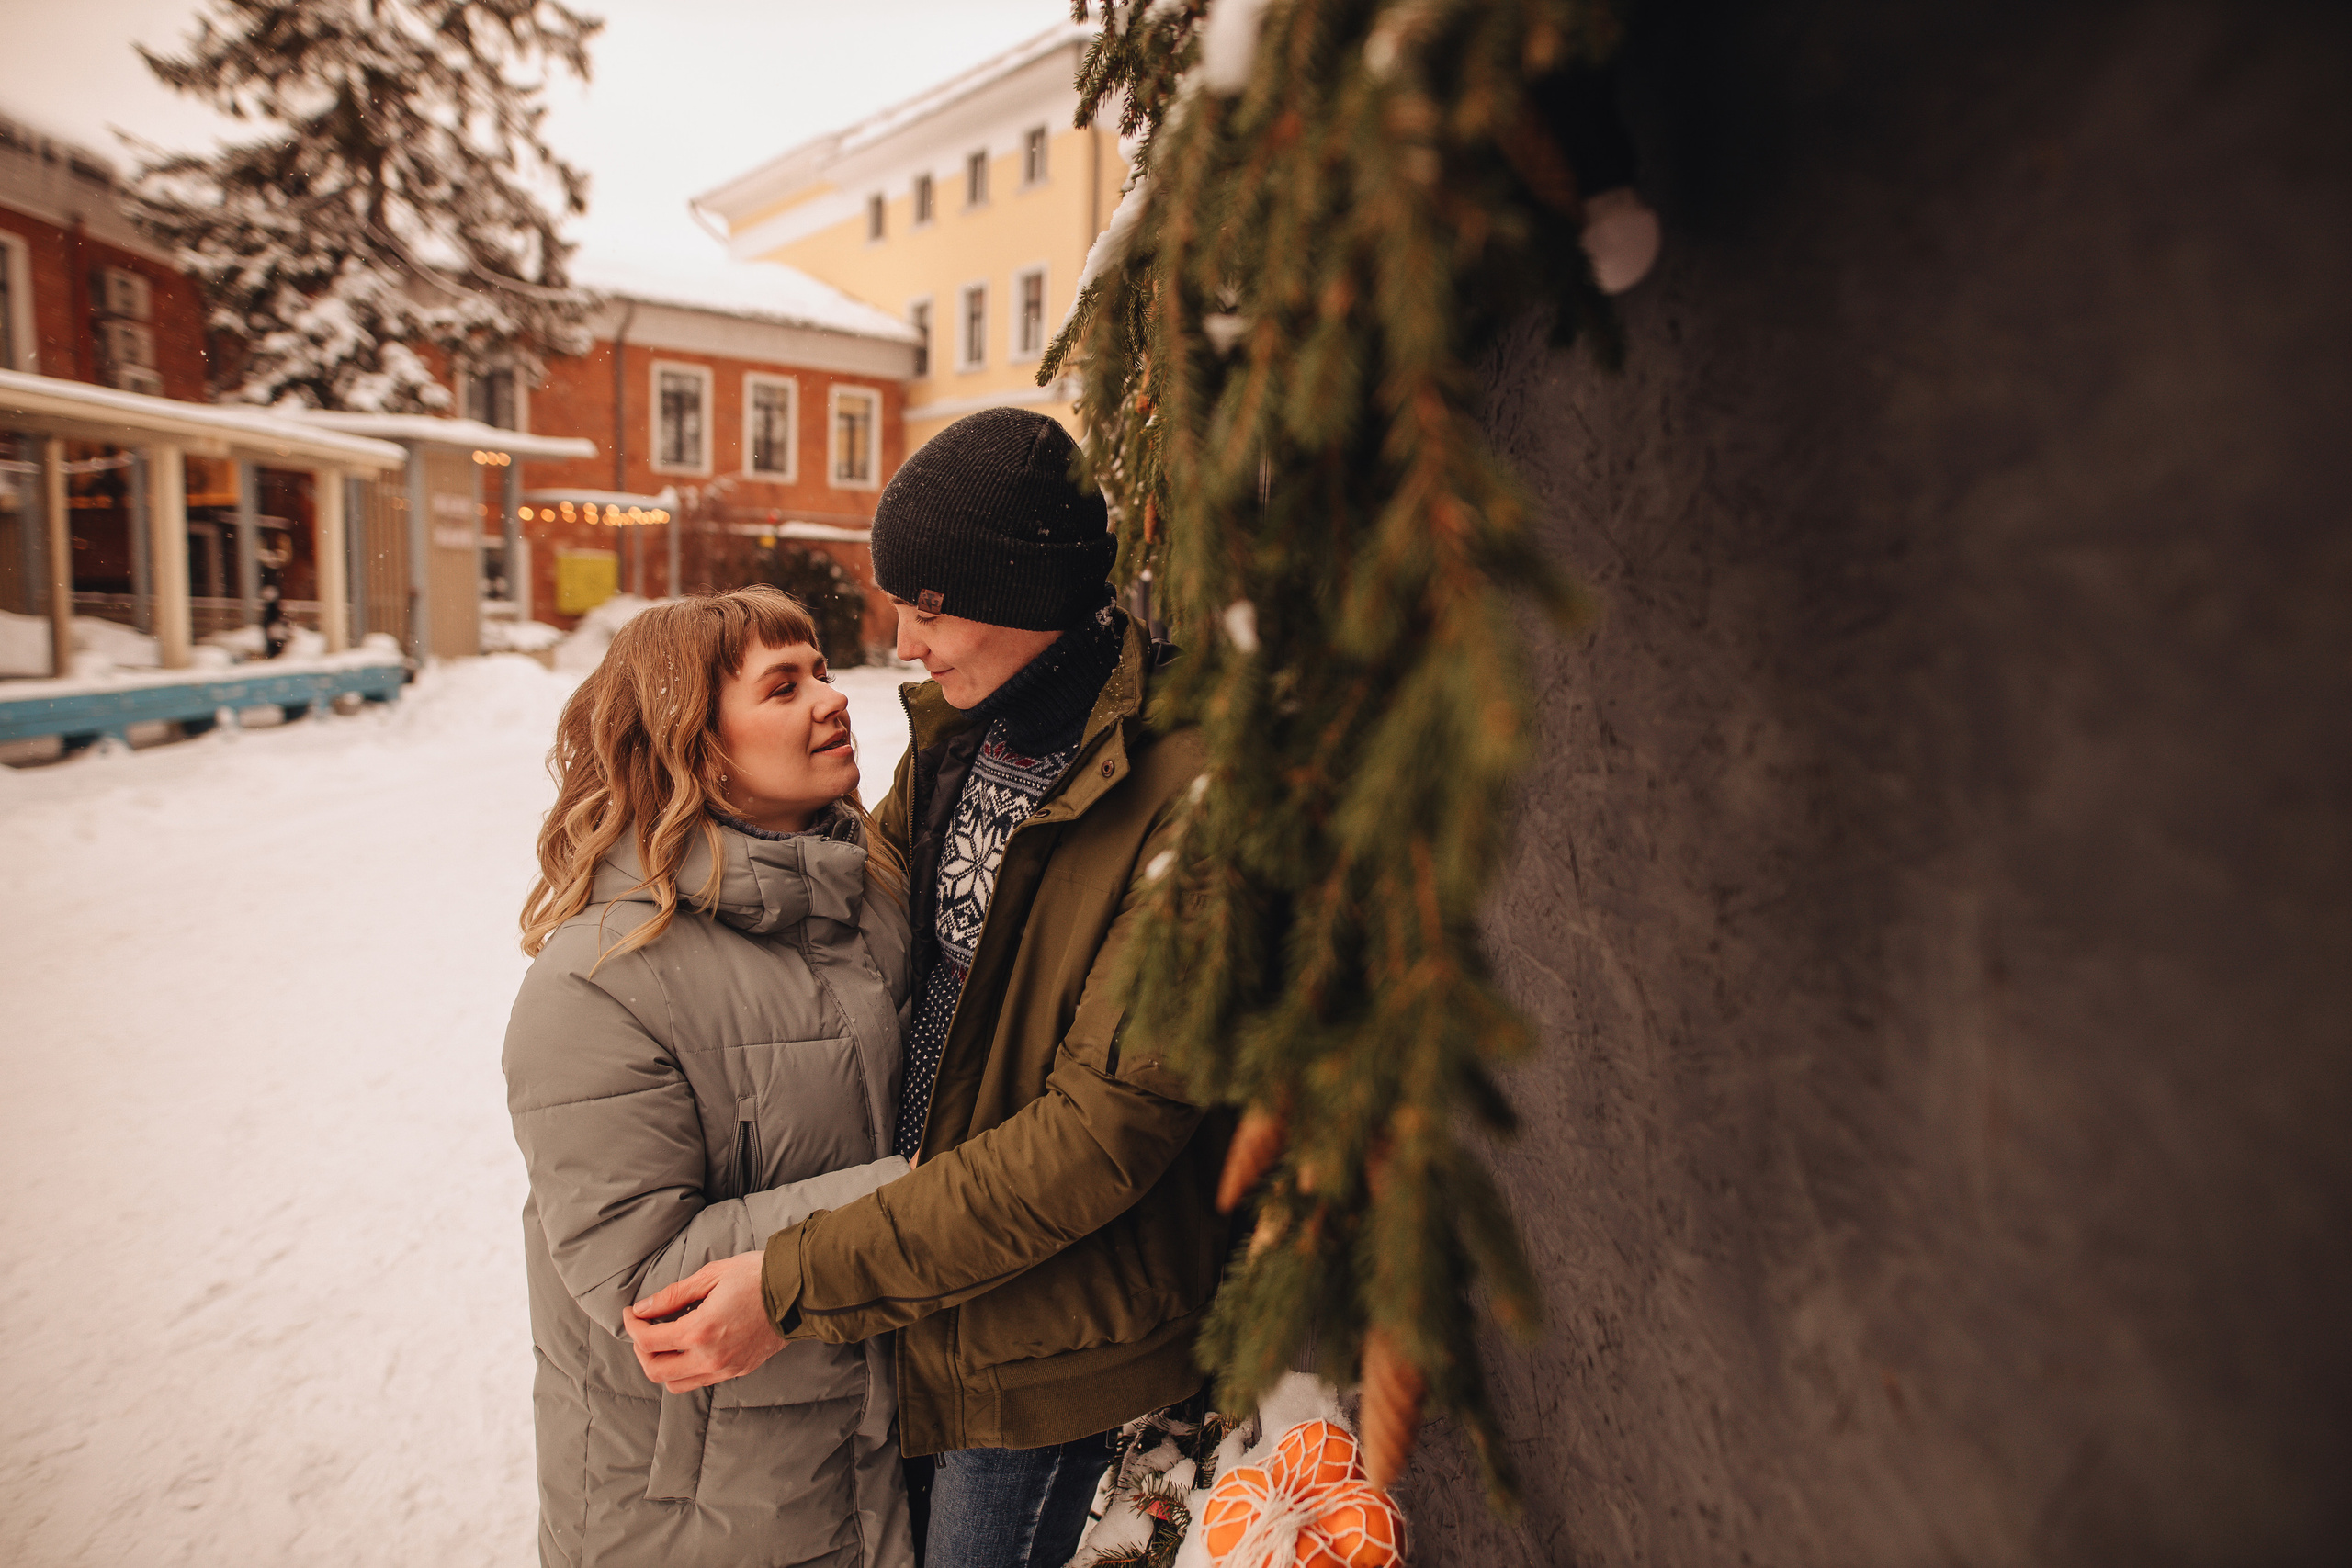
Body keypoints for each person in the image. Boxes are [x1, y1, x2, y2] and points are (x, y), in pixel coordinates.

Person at [627, 409, 1234, 1568]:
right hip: (923, 1293)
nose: (902, 641)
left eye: (929, 607)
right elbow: (863, 905)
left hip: (1049, 1353)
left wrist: (797, 1279)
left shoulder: (1191, 799)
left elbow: (1096, 1139)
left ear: (1024, 591)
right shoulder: (969, 734)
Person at [504, 586, 914, 1568]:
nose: (832, 696)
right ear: (694, 745)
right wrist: (932, 1195)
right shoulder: (598, 985)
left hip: (866, 1462)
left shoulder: (872, 902)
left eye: (820, 668)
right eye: (783, 685)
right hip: (697, 1515)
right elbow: (644, 1278)